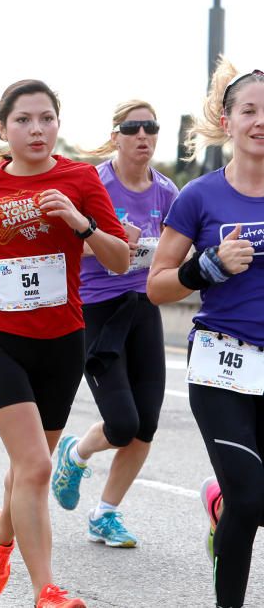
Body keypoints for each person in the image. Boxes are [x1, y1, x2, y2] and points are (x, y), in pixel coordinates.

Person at [0, 79, 129, 608]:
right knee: (37, 467)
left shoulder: (79, 179)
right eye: (24, 119)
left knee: (28, 466)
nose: (37, 129)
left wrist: (80, 223)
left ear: (58, 124)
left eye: (46, 118)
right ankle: (45, 589)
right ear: (2, 129)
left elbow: (119, 259)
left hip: (61, 342)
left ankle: (1, 538)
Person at [147, 61, 264, 608]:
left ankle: (220, 508)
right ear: (228, 119)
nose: (260, 121)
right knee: (249, 495)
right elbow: (158, 286)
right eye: (250, 111)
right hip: (223, 365)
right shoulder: (199, 197)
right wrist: (208, 266)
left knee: (253, 501)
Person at [49, 101, 178, 548]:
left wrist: (161, 250)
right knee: (121, 423)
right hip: (97, 310)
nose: (143, 135)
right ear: (116, 135)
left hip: (143, 307)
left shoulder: (166, 191)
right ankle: (76, 451)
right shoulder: (93, 183)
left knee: (147, 424)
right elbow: (63, 244)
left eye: (151, 127)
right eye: (132, 127)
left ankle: (105, 514)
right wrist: (107, 243)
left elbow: (176, 251)